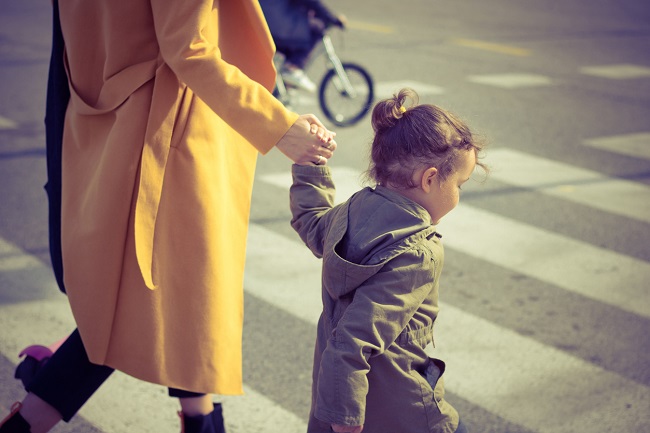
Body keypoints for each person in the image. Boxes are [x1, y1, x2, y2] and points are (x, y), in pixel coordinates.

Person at [0, 0, 336, 432]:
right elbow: (188, 48)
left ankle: (37, 417)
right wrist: (279, 126)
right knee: (148, 308)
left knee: (170, 309)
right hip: (168, 140)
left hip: (109, 123)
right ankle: (28, 419)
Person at [289, 88, 487, 433]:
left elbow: (311, 220)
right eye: (460, 184)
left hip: (338, 394)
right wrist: (346, 421)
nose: (458, 194)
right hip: (402, 411)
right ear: (430, 179)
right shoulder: (418, 251)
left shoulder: (354, 210)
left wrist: (311, 165)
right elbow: (353, 340)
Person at [259, 0, 346, 92]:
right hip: (278, 22)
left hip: (265, 18)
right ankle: (293, 68)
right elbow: (312, 3)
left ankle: (286, 88)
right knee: (316, 29)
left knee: (294, 43)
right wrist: (332, 19)